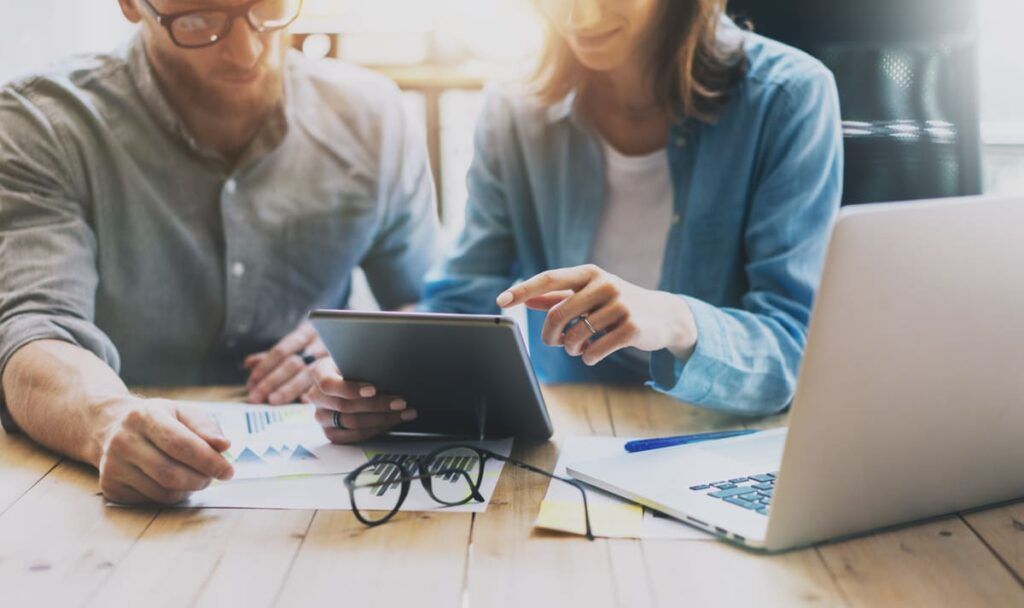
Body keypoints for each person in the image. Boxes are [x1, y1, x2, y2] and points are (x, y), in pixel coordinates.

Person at [308, 0, 843, 443]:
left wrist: (673, 319)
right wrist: (372, 384)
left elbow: (788, 357)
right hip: (568, 437)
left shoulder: (788, 96)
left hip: (722, 439)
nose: (580, 16)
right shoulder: (514, 107)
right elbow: (462, 301)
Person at [0, 0, 438, 504]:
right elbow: (34, 331)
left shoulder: (372, 117)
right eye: (199, 21)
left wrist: (365, 345)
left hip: (329, 496)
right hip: (113, 495)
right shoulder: (44, 123)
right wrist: (107, 417)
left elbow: (431, 303)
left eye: (268, 7)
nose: (246, 49)